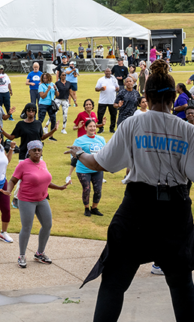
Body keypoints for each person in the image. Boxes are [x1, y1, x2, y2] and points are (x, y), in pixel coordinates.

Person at [72, 59, 194, 321]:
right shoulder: (187, 131)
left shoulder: (132, 125)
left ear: (146, 97)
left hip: (137, 210)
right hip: (175, 211)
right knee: (182, 284)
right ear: (174, 98)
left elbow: (101, 163)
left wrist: (80, 152)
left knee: (114, 283)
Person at [7, 140, 70, 268]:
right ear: (28, 151)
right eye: (34, 150)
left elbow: (44, 181)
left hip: (42, 199)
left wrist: (59, 187)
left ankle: (39, 253)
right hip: (26, 200)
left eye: (39, 150)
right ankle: (22, 255)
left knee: (47, 225)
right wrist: (8, 191)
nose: (37, 152)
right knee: (27, 227)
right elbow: (13, 180)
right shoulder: (23, 165)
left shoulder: (43, 163)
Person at [69, 120, 106, 217]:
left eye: (94, 126)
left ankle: (94, 208)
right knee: (86, 189)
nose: (93, 128)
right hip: (83, 169)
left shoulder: (101, 139)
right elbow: (73, 153)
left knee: (98, 189)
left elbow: (105, 152)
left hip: (97, 169)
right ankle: (86, 208)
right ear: (85, 128)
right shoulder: (79, 140)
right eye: (90, 126)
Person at [95, 68, 120, 134]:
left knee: (113, 115)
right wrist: (100, 88)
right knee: (100, 115)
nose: (108, 73)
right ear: (104, 72)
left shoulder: (114, 79)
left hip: (112, 100)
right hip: (103, 101)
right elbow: (96, 89)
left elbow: (117, 88)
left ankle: (112, 128)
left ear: (111, 72)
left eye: (109, 71)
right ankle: (100, 128)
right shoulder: (101, 80)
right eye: (106, 71)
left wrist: (117, 89)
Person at [37, 73, 58, 141]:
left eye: (46, 78)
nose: (45, 79)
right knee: (40, 120)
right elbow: (42, 96)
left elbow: (57, 95)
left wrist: (55, 89)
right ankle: (38, 134)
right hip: (43, 104)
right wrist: (48, 90)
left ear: (49, 78)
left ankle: (51, 136)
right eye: (43, 78)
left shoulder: (52, 84)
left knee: (53, 119)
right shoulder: (41, 85)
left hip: (51, 104)